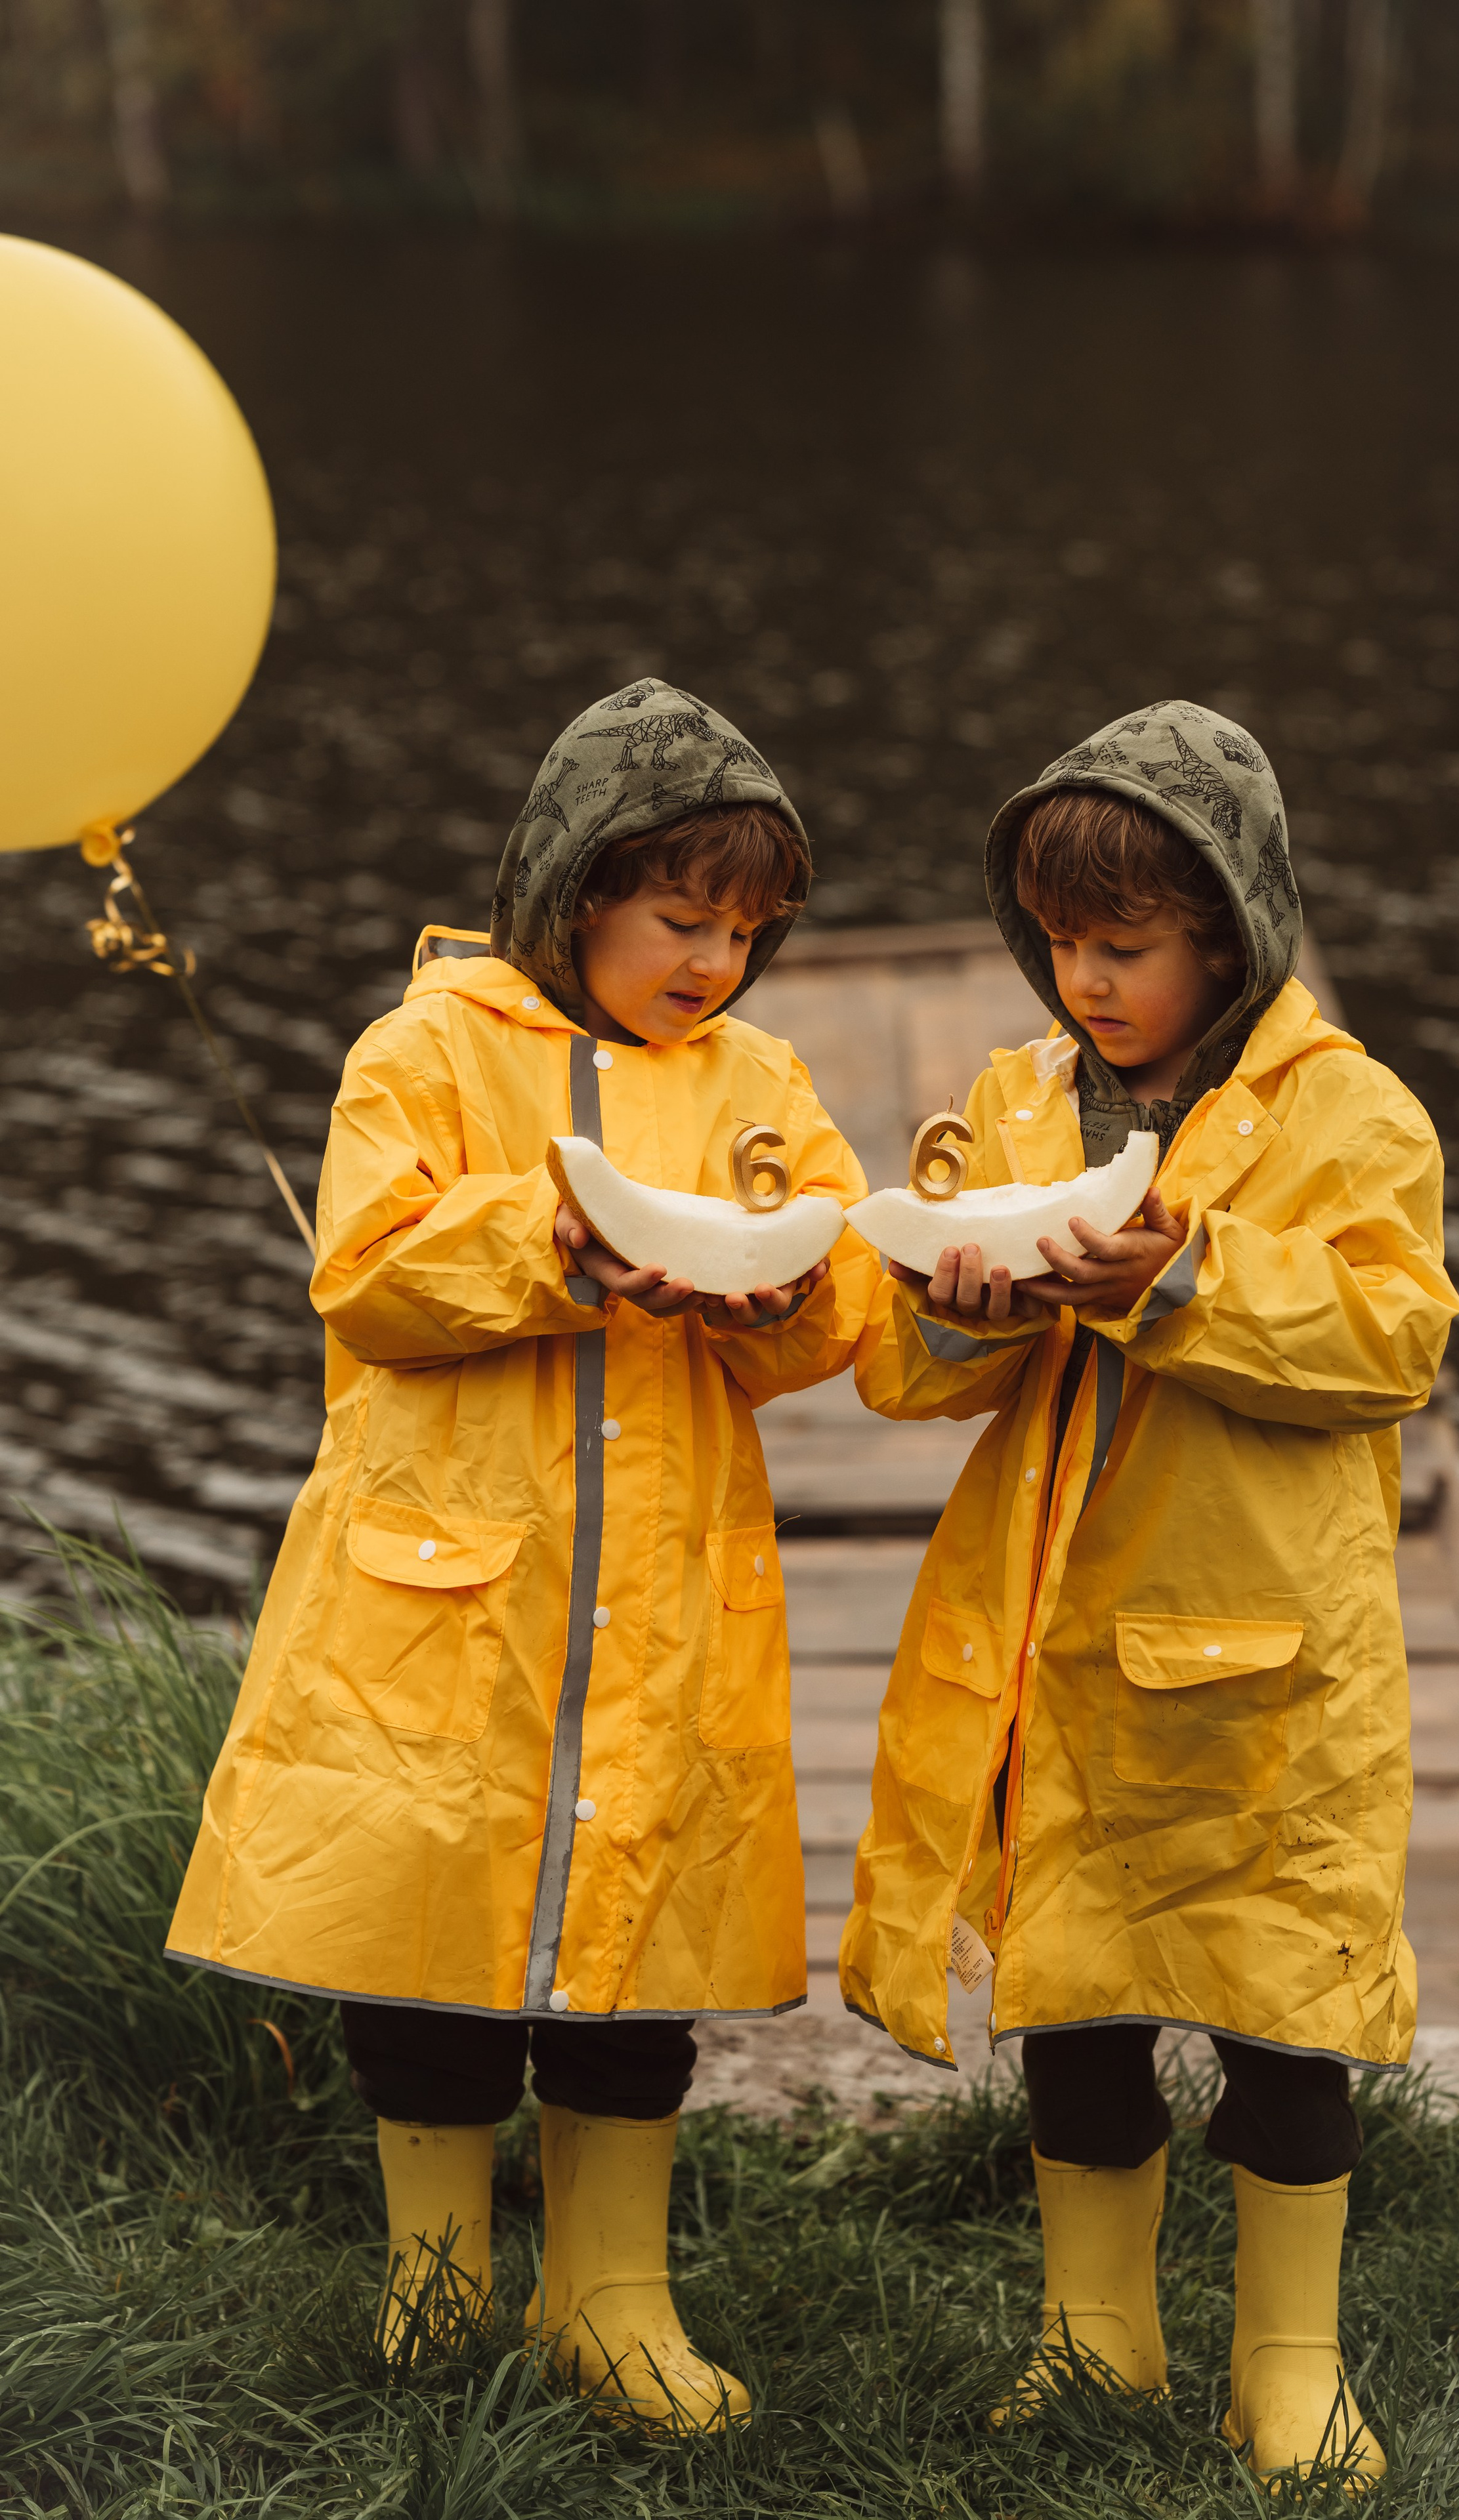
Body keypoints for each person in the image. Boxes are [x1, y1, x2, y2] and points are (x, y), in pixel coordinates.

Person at [168, 680, 874, 2427]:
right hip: (450, 1593)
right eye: (679, 921)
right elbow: (370, 1272)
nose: (711, 962)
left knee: (639, 1961)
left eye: (745, 932)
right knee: (437, 1951)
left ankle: (609, 2295)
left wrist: (798, 1291)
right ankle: (436, 2283)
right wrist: (551, 1243)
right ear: (574, 894)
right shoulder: (425, 1051)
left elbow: (832, 1304)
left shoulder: (759, 1084)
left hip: (666, 1602)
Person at [841, 701, 1457, 2490]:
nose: (1079, 979)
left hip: (1267, 1668)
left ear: (1230, 936)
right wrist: (962, 1300)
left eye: (1124, 949)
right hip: (1058, 1653)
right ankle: (1095, 2343)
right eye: (1058, 944)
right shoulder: (1021, 1101)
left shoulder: (1350, 1113)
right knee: (1077, 1999)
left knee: (1283, 2012)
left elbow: (1393, 1339)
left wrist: (1185, 1279)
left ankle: (1292, 2364)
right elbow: (906, 1371)